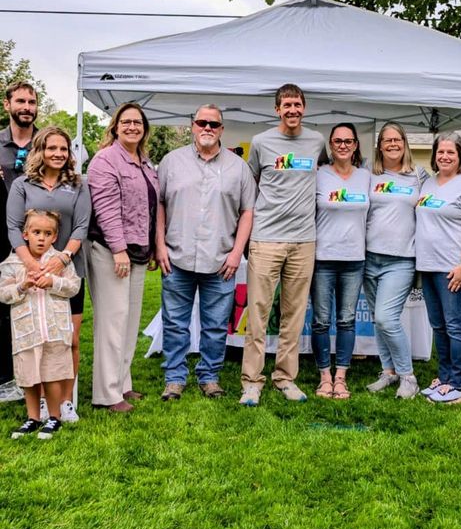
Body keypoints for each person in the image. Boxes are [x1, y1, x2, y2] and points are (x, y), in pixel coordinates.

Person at [156, 104, 256, 401]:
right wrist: (159, 245)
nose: (208, 128)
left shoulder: (239, 167)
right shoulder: (171, 162)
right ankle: (174, 378)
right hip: (177, 256)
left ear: (222, 129)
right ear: (192, 126)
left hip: (220, 259)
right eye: (202, 122)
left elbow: (248, 211)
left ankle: (209, 376)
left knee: (215, 326)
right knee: (175, 323)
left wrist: (237, 253)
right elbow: (159, 205)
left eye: (214, 124)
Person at [240, 83, 327, 406]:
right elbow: (251, 185)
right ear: (277, 109)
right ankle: (252, 381)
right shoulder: (261, 143)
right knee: (259, 313)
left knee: (294, 314)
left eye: (297, 105)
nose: (292, 110)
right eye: (286, 105)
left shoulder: (317, 141)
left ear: (305, 108)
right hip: (265, 238)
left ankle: (285, 378)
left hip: (304, 240)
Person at [6, 127, 91, 423]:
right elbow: (13, 228)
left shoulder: (78, 185)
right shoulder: (22, 186)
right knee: (38, 341)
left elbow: (81, 226)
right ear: (39, 151)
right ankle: (43, 403)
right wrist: (33, 265)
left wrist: (61, 259)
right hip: (29, 272)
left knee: (69, 339)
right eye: (51, 148)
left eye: (63, 149)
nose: (58, 154)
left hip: (68, 270)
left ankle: (65, 401)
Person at [87, 102, 159, 413]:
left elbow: (150, 210)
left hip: (139, 252)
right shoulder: (104, 161)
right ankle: (106, 393)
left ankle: (122, 384)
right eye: (126, 122)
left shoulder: (145, 163)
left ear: (144, 128)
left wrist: (152, 248)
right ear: (115, 127)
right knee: (112, 322)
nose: (132, 127)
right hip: (110, 251)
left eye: (137, 122)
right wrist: (118, 250)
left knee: (129, 322)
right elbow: (105, 210)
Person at [416, 133, 461, 404]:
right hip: (429, 266)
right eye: (440, 152)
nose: (445, 156)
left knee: (455, 325)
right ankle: (444, 377)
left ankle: (457, 384)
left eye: (451, 152)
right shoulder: (429, 184)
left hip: (454, 268)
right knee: (439, 325)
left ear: (460, 157)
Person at [0, 209, 80, 439]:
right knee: (29, 377)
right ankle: (33, 418)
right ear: (26, 234)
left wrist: (53, 281)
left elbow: (73, 286)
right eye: (36, 232)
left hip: (54, 331)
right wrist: (22, 286)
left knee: (52, 374)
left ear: (55, 237)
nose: (41, 238)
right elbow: (3, 293)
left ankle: (54, 417)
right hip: (27, 333)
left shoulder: (59, 262)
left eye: (47, 233)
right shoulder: (13, 262)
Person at [364, 121, 429, 399]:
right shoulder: (369, 173)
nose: (392, 144)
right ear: (380, 145)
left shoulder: (419, 176)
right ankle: (388, 372)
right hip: (369, 257)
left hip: (401, 258)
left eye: (397, 140)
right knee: (379, 321)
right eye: (387, 140)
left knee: (386, 318)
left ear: (405, 144)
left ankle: (408, 376)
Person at [311, 122, 370, 400]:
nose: (343, 145)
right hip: (323, 258)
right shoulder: (318, 175)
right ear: (331, 146)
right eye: (337, 141)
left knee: (346, 320)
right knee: (322, 321)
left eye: (348, 141)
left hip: (354, 259)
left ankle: (341, 377)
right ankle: (324, 377)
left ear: (356, 145)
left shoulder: (366, 177)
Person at [0, 81, 38, 404]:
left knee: (31, 306)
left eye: (32, 101)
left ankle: (32, 379)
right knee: (2, 307)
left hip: (38, 239)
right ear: (7, 104)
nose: (26, 106)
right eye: (21, 101)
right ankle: (4, 380)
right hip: (0, 237)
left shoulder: (47, 142)